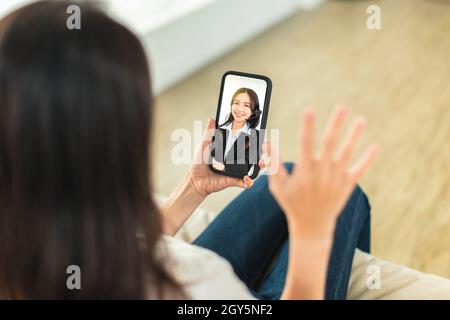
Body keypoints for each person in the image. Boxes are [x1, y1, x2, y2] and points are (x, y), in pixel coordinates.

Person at [0, 0, 379, 299]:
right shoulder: (199, 285)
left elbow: (118, 255)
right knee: (346, 197)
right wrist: (312, 234)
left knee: (290, 174)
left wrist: (192, 189)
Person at [212, 87, 262, 178]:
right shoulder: (218, 130)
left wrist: (224, 168)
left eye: (246, 105)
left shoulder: (256, 136)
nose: (239, 109)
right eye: (236, 103)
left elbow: (245, 166)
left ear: (253, 111)